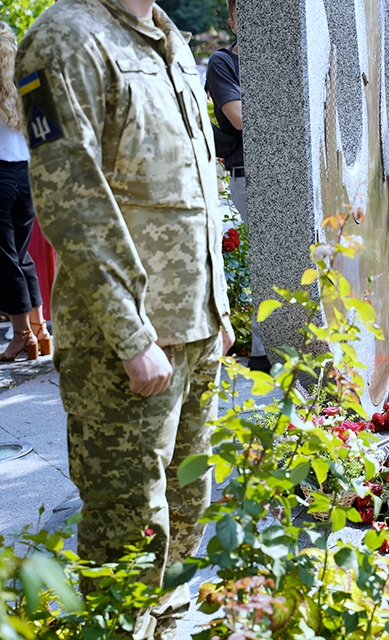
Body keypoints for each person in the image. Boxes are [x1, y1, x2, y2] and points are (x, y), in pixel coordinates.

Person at [16, 0, 234, 635]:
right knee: (128, 530)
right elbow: (68, 195)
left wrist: (216, 305)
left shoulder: (168, 37)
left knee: (188, 506)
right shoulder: (66, 36)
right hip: (124, 341)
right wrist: (131, 333)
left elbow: (193, 183)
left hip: (194, 325)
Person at [205, 0, 269, 373]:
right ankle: (263, 353)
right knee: (267, 261)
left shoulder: (281, 57)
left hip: (292, 174)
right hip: (250, 173)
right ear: (232, 20)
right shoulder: (223, 63)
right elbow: (241, 118)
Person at [0, 21, 50, 363]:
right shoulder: (28, 76)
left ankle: (22, 335)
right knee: (22, 256)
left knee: (5, 259)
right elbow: (46, 125)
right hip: (28, 173)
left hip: (1, 174)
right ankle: (41, 330)